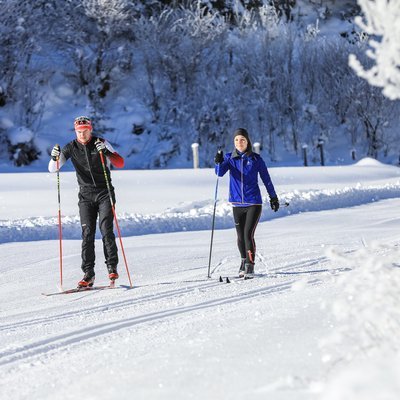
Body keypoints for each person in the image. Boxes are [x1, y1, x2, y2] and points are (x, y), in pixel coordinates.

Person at [48, 116, 125, 287]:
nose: (82, 135)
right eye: (79, 132)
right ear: (75, 131)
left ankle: (112, 268)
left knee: (106, 230)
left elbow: (120, 163)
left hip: (105, 193)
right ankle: (88, 274)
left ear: (90, 129)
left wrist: (105, 151)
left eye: (85, 131)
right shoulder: (71, 147)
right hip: (85, 195)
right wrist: (54, 158)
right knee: (87, 234)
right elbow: (53, 169)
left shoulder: (101, 142)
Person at [214, 128, 279, 279]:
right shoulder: (230, 158)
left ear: (247, 141)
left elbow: (266, 179)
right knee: (240, 237)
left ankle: (250, 265)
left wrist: (273, 197)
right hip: (237, 204)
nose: (239, 143)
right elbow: (219, 173)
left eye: (242, 139)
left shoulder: (256, 159)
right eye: (236, 140)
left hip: (253, 203)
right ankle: (243, 262)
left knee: (248, 234)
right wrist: (218, 161)